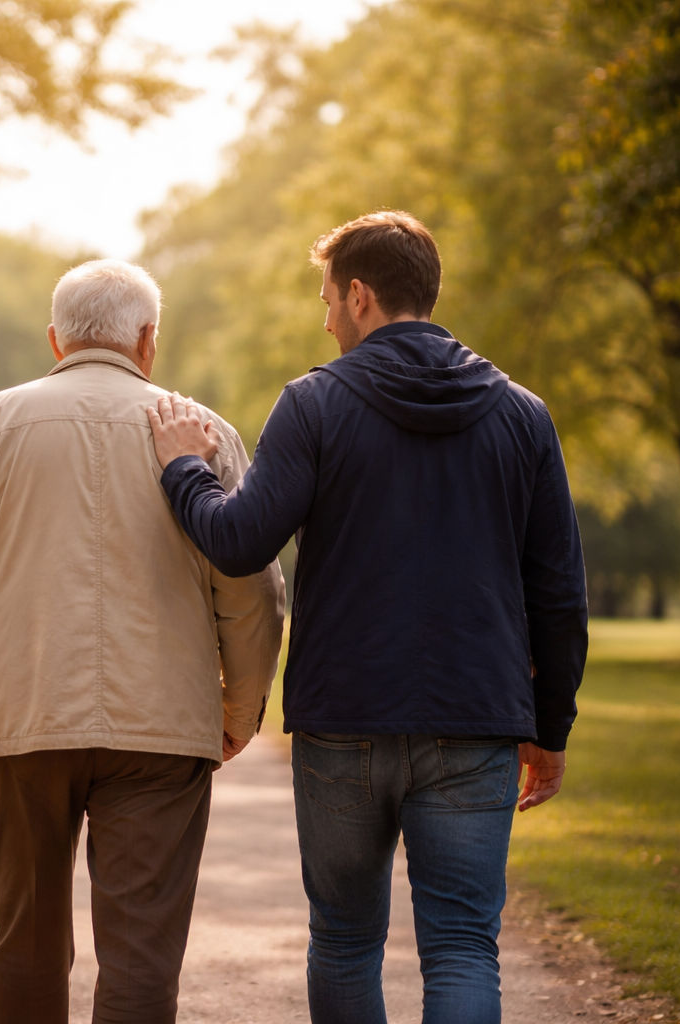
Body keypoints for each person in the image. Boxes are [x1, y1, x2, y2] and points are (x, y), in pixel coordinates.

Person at [146, 210, 588, 1024]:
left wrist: (185, 471)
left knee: (345, 940)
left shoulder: (315, 404)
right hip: (474, 718)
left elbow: (239, 543)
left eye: (325, 298)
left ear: (360, 295)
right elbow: (559, 595)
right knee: (461, 946)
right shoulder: (522, 414)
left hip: (343, 721)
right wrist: (548, 729)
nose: (323, 318)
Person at [0, 258, 286, 1024]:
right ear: (148, 340)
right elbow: (255, 592)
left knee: (25, 940)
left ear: (56, 338)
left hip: (22, 718)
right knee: (142, 953)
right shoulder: (202, 432)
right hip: (163, 729)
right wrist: (240, 708)